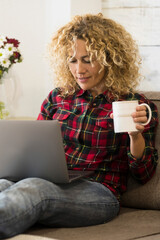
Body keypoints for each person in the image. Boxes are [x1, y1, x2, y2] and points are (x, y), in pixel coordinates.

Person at [0, 13, 158, 239]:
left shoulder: (134, 104)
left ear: (109, 59)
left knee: (35, 189)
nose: (79, 70)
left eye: (88, 60)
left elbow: (143, 174)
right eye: (73, 60)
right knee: (4, 183)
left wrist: (136, 135)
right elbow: (34, 151)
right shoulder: (57, 98)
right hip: (52, 182)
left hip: (99, 193)